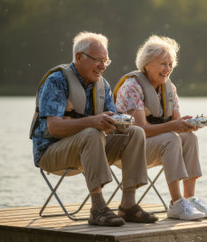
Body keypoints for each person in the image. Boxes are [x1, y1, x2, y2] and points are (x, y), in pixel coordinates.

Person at [30, 31, 158, 226]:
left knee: (135, 132)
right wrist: (93, 121)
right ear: (79, 57)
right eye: (98, 60)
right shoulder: (56, 80)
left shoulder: (102, 85)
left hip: (88, 149)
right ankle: (98, 209)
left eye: (106, 61)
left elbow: (111, 120)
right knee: (92, 132)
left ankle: (128, 206)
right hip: (50, 152)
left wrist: (119, 121)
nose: (102, 66)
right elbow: (54, 128)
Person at [114, 35, 207, 221]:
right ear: (146, 64)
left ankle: (189, 199)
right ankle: (176, 203)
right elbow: (140, 130)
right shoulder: (132, 87)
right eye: (163, 64)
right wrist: (174, 126)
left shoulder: (170, 89)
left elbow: (176, 123)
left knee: (189, 138)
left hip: (155, 146)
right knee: (172, 138)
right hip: (128, 150)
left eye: (170, 64)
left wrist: (188, 124)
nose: (168, 69)